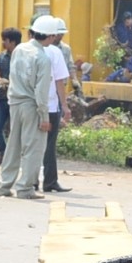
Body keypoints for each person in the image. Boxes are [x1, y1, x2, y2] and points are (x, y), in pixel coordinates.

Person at [0, 17, 57, 199]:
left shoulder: (19, 49)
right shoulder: (43, 58)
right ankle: (25, 188)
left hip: (15, 102)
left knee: (13, 145)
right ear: (50, 36)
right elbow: (41, 91)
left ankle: (4, 185)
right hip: (31, 104)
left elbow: (13, 76)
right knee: (33, 147)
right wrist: (44, 116)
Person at [41, 24, 74, 194]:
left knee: (31, 144)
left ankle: (30, 181)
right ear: (52, 35)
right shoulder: (55, 52)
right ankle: (50, 181)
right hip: (51, 106)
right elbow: (59, 82)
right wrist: (65, 106)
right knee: (49, 145)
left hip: (31, 105)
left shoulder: (24, 50)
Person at [0, 27, 22, 161]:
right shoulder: (1, 56)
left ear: (12, 42)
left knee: (16, 129)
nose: (3, 43)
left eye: (5, 40)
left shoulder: (23, 57)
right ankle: (4, 152)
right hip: (2, 98)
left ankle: (14, 156)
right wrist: (0, 80)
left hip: (18, 99)